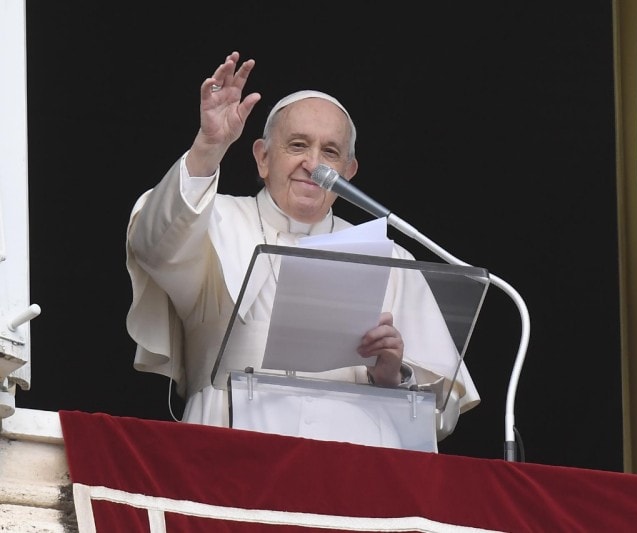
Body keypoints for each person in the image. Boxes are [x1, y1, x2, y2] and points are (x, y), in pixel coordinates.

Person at [125, 51, 480, 448]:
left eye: (330, 152)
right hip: (231, 445)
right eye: (297, 145)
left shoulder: (388, 258)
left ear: (349, 172)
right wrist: (209, 146)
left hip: (355, 460)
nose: (314, 164)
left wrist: (392, 377)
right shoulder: (213, 220)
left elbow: (439, 415)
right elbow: (153, 245)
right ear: (262, 157)